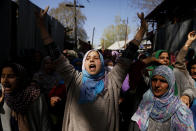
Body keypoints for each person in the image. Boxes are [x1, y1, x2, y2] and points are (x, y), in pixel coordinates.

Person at [35, 7, 148, 131]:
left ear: (102, 62)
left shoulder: (112, 80)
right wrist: (41, 26)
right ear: (83, 64)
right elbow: (56, 55)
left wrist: (141, 31)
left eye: (96, 58)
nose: (92, 60)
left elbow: (127, 57)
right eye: (88, 58)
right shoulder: (74, 79)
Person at [131, 65, 194, 131]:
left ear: (170, 84)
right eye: (154, 80)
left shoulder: (180, 110)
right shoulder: (146, 103)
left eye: (163, 81)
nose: (157, 85)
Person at [0, 63, 51, 131]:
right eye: (3, 76)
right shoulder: (4, 98)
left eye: (11, 76)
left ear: (21, 78)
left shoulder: (34, 96)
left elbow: (45, 125)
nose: (5, 80)